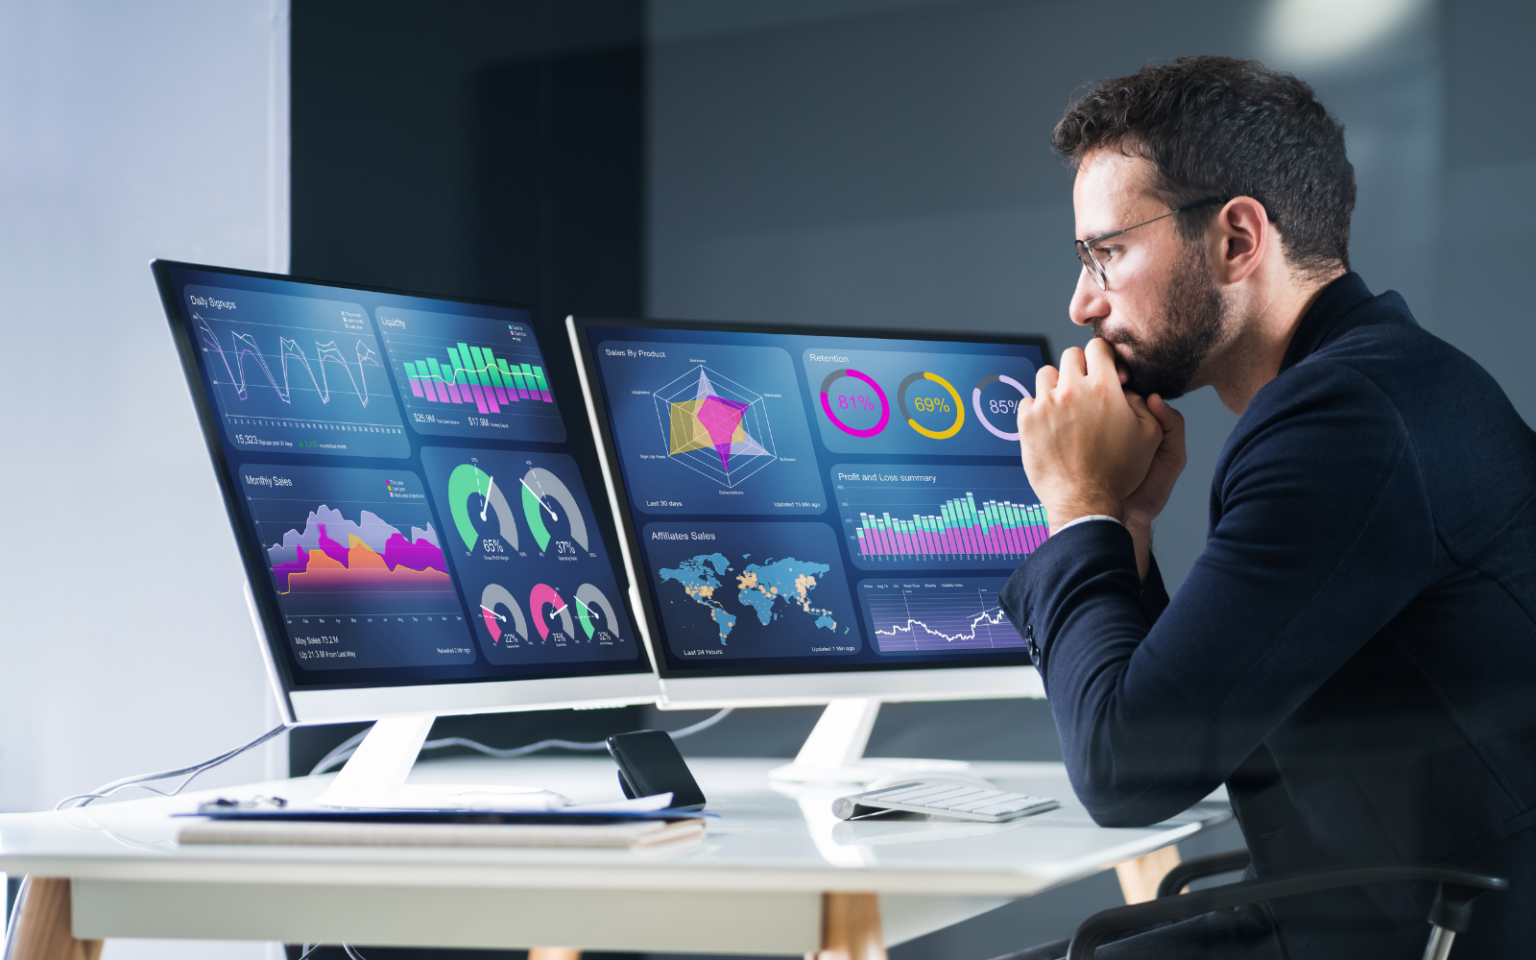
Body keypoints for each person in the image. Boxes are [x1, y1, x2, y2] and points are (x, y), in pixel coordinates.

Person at [995, 56, 1535, 960]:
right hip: (1390, 903)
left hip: (1419, 931)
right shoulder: (1384, 384)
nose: (1082, 301)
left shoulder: (1340, 423)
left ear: (1238, 239)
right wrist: (1124, 521)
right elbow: (1204, 723)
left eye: (1107, 252)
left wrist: (1076, 501)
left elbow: (1127, 773)